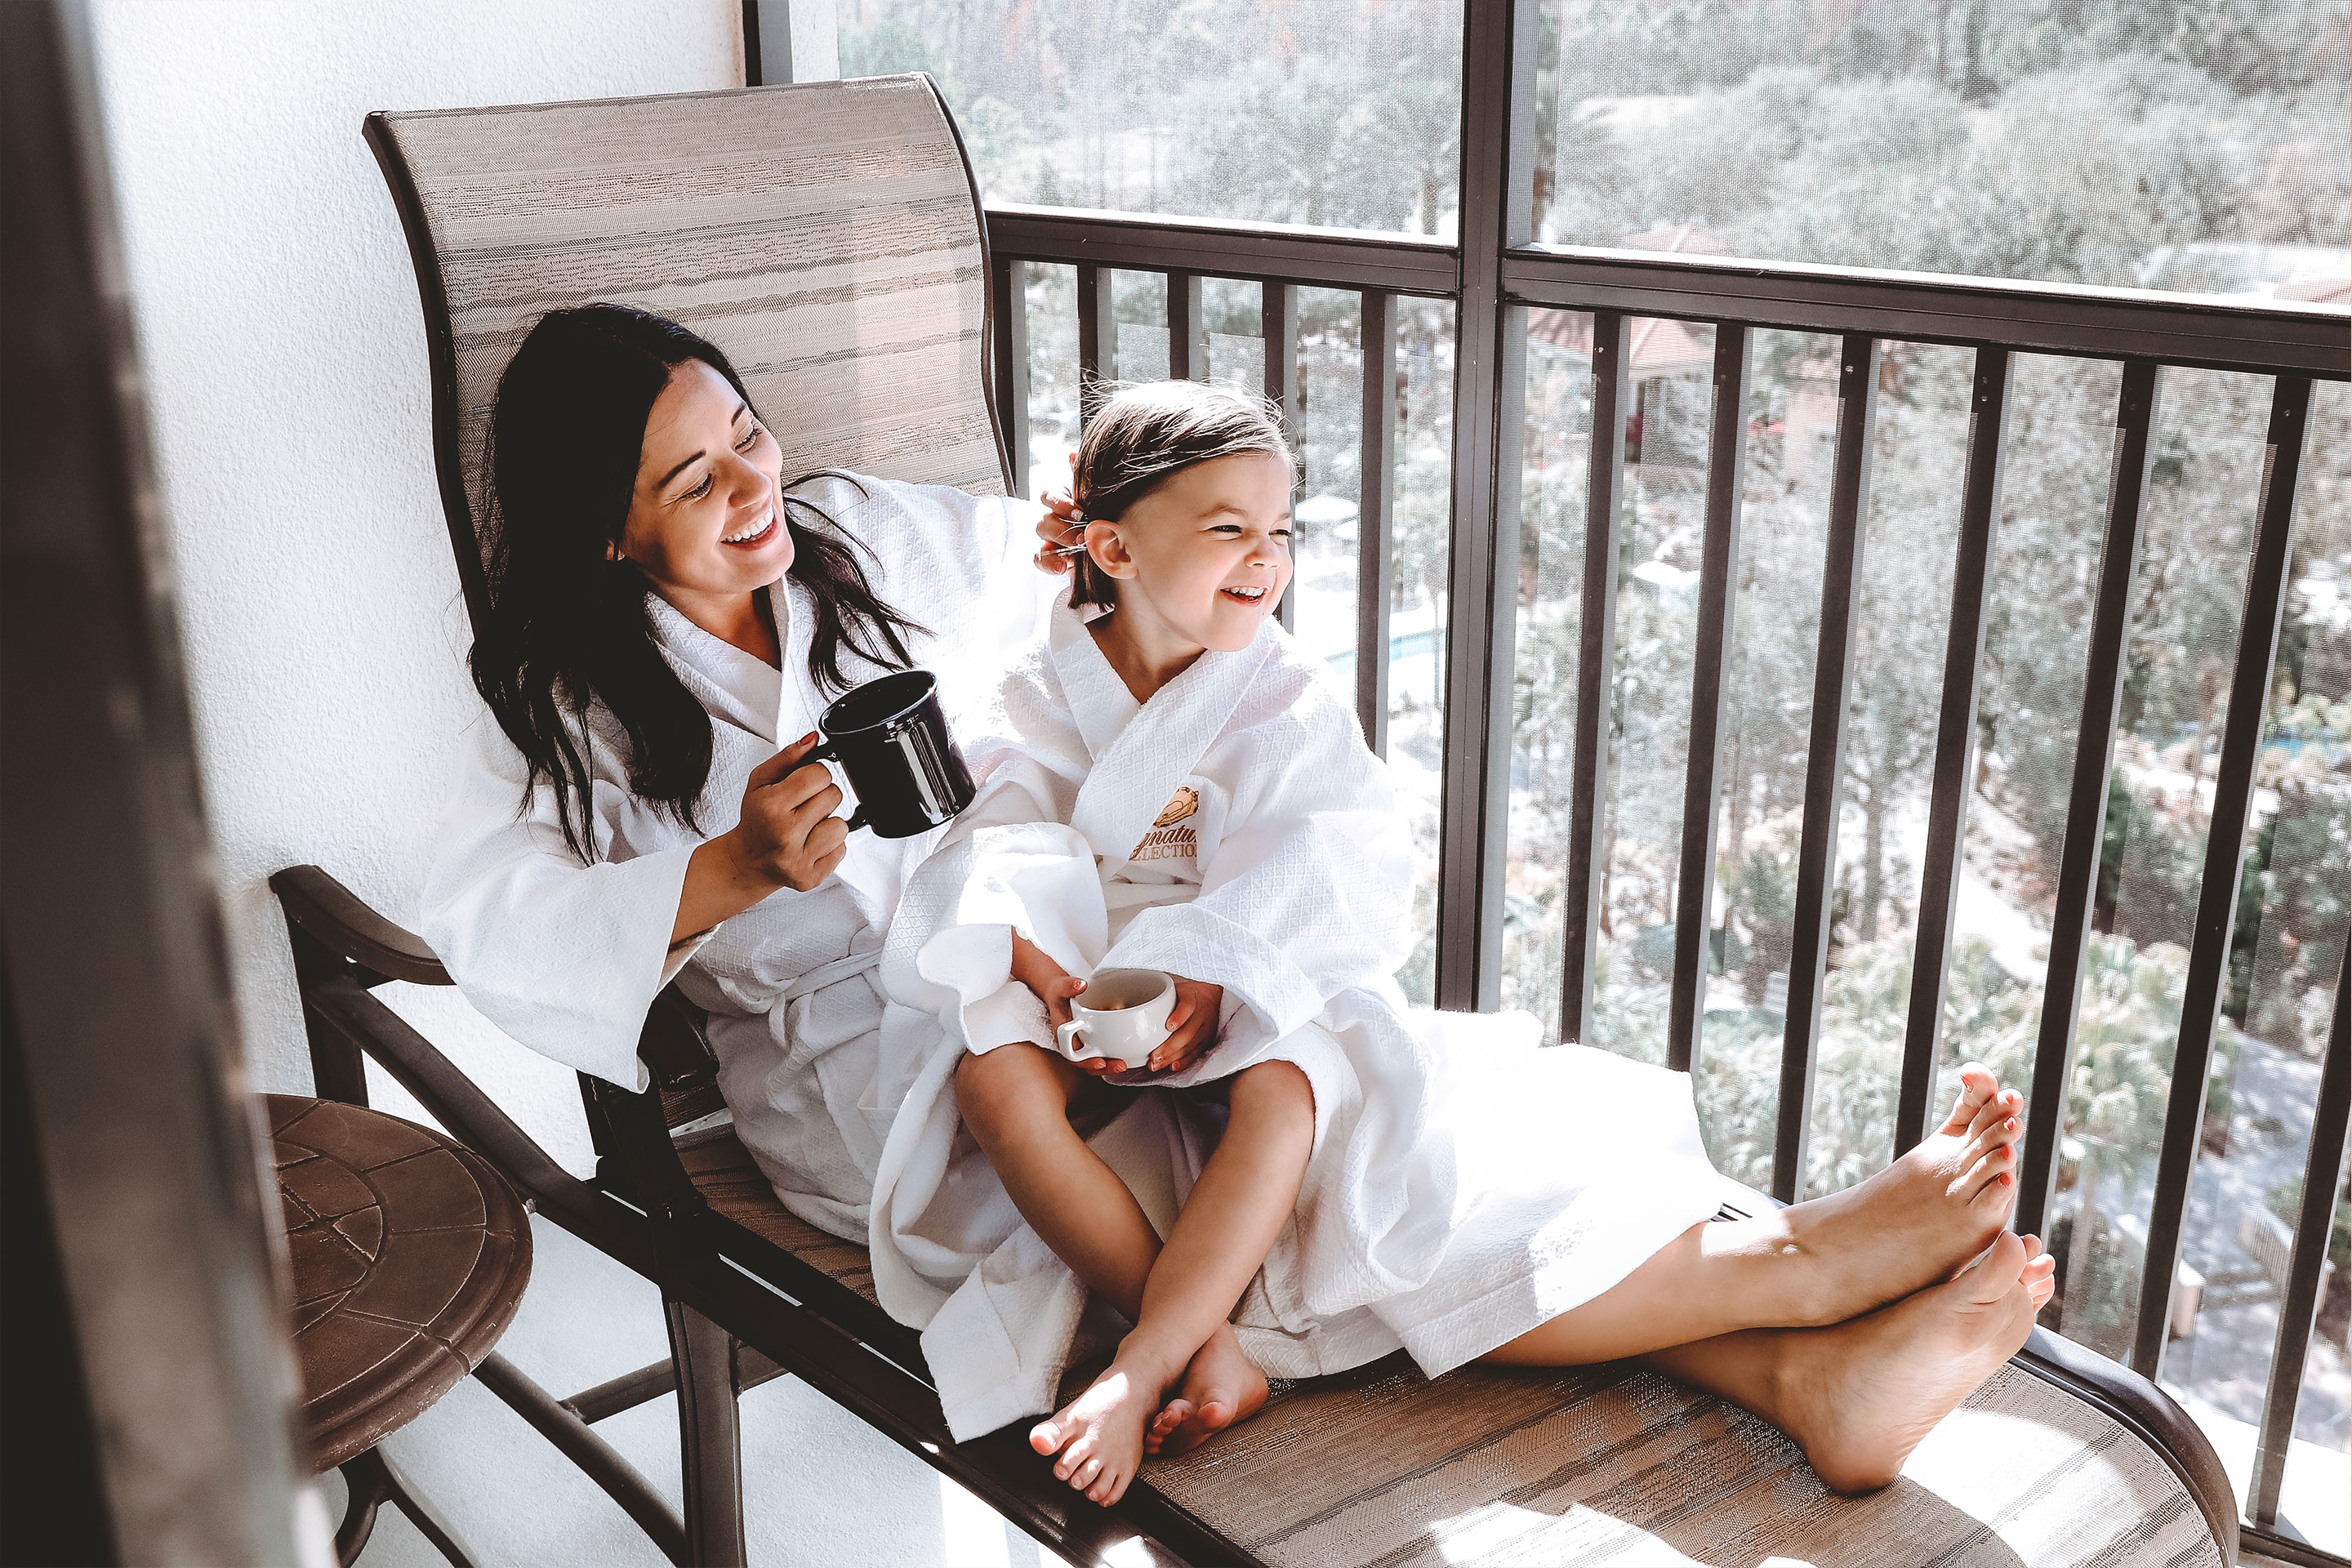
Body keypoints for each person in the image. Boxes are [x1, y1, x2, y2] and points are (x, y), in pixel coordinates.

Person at [871, 381, 2053, 1509]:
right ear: (1115, 549)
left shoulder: (1274, 691)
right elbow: (980, 853)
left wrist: (1210, 969)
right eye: (1227, 528)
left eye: (1278, 530)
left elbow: (1331, 857)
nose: (1265, 559)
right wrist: (1044, 973)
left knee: (1303, 1102)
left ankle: (1802, 1300)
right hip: (1096, 1015)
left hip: (1241, 1005)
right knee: (988, 1070)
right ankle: (1802, 1323)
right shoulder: (1035, 686)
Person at [421, 302, 1054, 1240]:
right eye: (692, 483)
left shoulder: (856, 527)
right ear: (607, 532)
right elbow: (498, 923)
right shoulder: (559, 707)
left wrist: (1118, 533)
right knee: (1100, 1178)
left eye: (747, 433)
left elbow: (1052, 569)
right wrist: (732, 871)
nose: (753, 485)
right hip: (855, 1071)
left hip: (1023, 952)